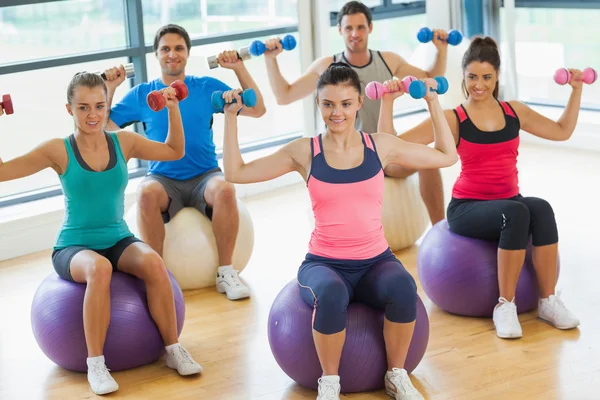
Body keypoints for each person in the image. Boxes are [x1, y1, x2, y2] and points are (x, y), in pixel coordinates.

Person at [220, 62, 457, 399]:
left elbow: (447, 156)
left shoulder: (381, 145)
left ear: (360, 102)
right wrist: (231, 118)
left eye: (345, 104)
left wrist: (433, 102)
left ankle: (396, 374)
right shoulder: (305, 151)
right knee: (330, 294)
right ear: (318, 105)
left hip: (376, 260)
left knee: (404, 286)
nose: (337, 113)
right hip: (325, 263)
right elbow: (236, 172)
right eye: (328, 104)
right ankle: (329, 382)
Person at [0, 71, 202, 395]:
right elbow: (2, 171)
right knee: (99, 268)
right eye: (83, 108)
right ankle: (96, 363)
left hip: (118, 238)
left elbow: (174, 151)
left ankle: (173, 349)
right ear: (69, 109)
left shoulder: (123, 142)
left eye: (99, 106)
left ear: (107, 105)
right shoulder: (58, 149)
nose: (92, 115)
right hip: (74, 246)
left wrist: (173, 107)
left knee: (153, 262)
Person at [379, 36, 581, 339]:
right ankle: (505, 305)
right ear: (463, 76)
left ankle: (548, 300)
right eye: (472, 76)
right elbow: (391, 145)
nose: (479, 84)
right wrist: (387, 103)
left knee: (541, 208)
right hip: (467, 207)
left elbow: (562, 131)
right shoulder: (454, 118)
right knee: (515, 213)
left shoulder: (515, 112)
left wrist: (576, 91)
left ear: (497, 76)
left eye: (487, 77)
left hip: (508, 200)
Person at [105, 24, 267, 300]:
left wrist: (238, 68)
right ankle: (157, 276)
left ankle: (226, 272)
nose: (172, 54)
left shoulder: (205, 87)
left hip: (205, 175)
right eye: (165, 49)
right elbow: (106, 129)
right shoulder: (143, 94)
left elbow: (257, 109)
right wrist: (109, 88)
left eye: (178, 48)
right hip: (162, 177)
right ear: (156, 55)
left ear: (187, 53)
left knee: (226, 190)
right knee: (145, 193)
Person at [262, 0, 452, 224]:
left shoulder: (388, 60)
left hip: (385, 150)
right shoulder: (327, 67)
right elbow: (285, 95)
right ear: (339, 30)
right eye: (349, 28)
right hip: (349, 154)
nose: (355, 33)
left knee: (427, 163)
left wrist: (441, 50)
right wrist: (270, 59)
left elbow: (429, 81)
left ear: (370, 28)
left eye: (360, 27)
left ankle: (440, 231)